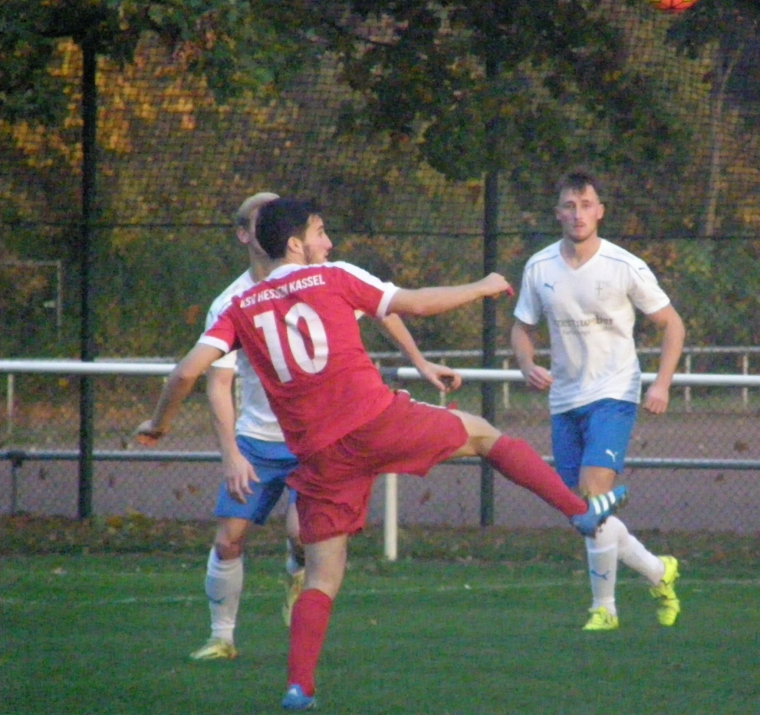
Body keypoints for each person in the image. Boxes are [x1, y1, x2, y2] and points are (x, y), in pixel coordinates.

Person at [135, 197, 627, 711]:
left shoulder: (239, 308)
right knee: (483, 435)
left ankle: (299, 686)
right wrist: (481, 287)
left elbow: (186, 372)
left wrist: (159, 423)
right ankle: (578, 512)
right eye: (320, 231)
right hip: (376, 422)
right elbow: (416, 304)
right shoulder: (332, 277)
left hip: (320, 456)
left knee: (322, 577)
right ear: (296, 243)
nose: (327, 241)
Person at [191, 192, 459, 662]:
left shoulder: (325, 278)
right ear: (246, 234)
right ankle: (221, 637)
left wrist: (420, 362)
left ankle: (298, 572)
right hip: (258, 440)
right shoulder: (231, 303)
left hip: (316, 440)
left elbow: (385, 307)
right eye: (259, 219)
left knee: (303, 536)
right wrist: (231, 453)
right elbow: (217, 382)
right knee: (229, 537)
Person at [511, 169, 686, 632]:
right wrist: (526, 364)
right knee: (584, 514)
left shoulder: (623, 265)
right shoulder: (539, 268)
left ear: (600, 212)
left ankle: (604, 609)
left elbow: (672, 324)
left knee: (593, 495)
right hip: (565, 399)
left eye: (586, 205)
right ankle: (658, 571)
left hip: (614, 393)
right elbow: (521, 327)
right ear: (558, 213)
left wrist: (661, 384)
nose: (578, 214)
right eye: (569, 206)